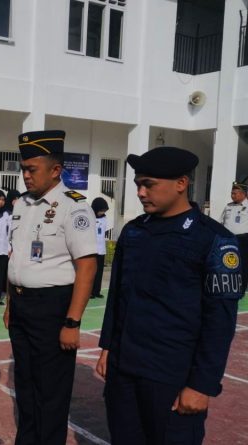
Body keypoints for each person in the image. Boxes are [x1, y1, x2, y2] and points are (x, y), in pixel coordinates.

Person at [97, 147, 242, 445]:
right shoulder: (135, 232)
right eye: (138, 184)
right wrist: (108, 347)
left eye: (148, 184)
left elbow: (220, 321)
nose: (140, 192)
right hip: (125, 371)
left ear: (181, 183)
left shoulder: (214, 239)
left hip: (173, 376)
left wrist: (202, 385)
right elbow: (118, 297)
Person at [5, 130, 97, 445]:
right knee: (26, 385)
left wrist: (72, 322)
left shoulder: (74, 207)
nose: (25, 175)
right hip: (21, 306)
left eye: (32, 170)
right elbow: (15, 255)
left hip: (53, 308)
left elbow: (87, 265)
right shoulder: (21, 203)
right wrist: (9, 304)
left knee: (51, 392)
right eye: (23, 169)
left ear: (55, 170)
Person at [221, 179, 248, 289]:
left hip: (243, 240)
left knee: (243, 264)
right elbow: (220, 222)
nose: (232, 196)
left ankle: (243, 286)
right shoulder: (228, 206)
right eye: (232, 193)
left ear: (243, 194)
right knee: (228, 262)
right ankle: (230, 285)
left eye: (235, 193)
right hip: (228, 239)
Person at [90, 197, 110, 299]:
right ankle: (90, 292)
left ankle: (97, 291)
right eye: (101, 210)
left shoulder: (104, 219)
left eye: (104, 211)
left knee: (99, 272)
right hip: (92, 250)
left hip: (101, 250)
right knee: (91, 272)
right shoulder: (90, 217)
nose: (102, 213)